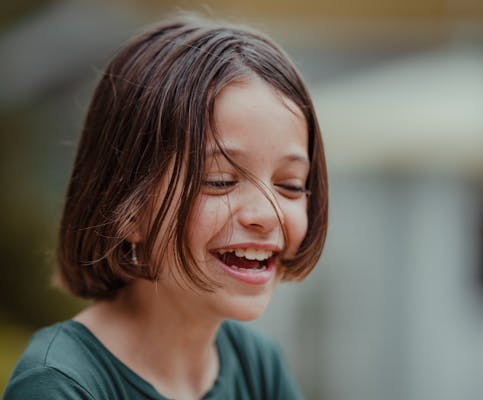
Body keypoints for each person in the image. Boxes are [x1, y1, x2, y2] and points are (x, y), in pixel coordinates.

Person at [4, 14, 328, 400]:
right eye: (220, 181)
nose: (265, 214)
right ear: (126, 207)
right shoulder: (60, 384)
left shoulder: (258, 365)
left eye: (290, 185)